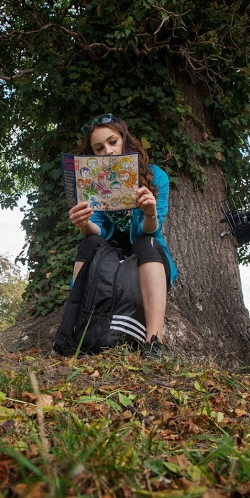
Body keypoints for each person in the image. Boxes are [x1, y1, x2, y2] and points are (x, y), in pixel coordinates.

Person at [68, 113, 178, 358]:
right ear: (93, 154)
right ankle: (72, 332)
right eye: (99, 148)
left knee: (144, 241)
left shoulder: (155, 175)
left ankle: (154, 342)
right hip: (108, 260)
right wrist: (83, 222)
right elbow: (96, 231)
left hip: (148, 255)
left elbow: (151, 231)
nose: (107, 150)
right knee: (90, 241)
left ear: (124, 140)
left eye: (112, 142)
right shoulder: (91, 182)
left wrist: (149, 213)